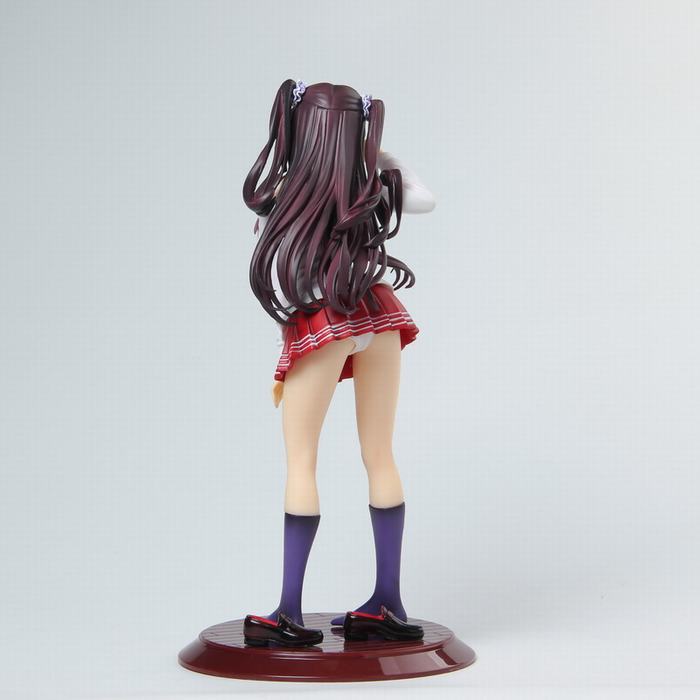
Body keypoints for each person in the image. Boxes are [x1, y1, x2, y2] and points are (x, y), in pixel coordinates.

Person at [241, 80, 435, 647]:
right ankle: (387, 603)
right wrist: (376, 156)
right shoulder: (368, 184)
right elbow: (425, 199)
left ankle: (289, 614)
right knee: (380, 454)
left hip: (323, 320)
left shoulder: (284, 187)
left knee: (302, 461)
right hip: (375, 312)